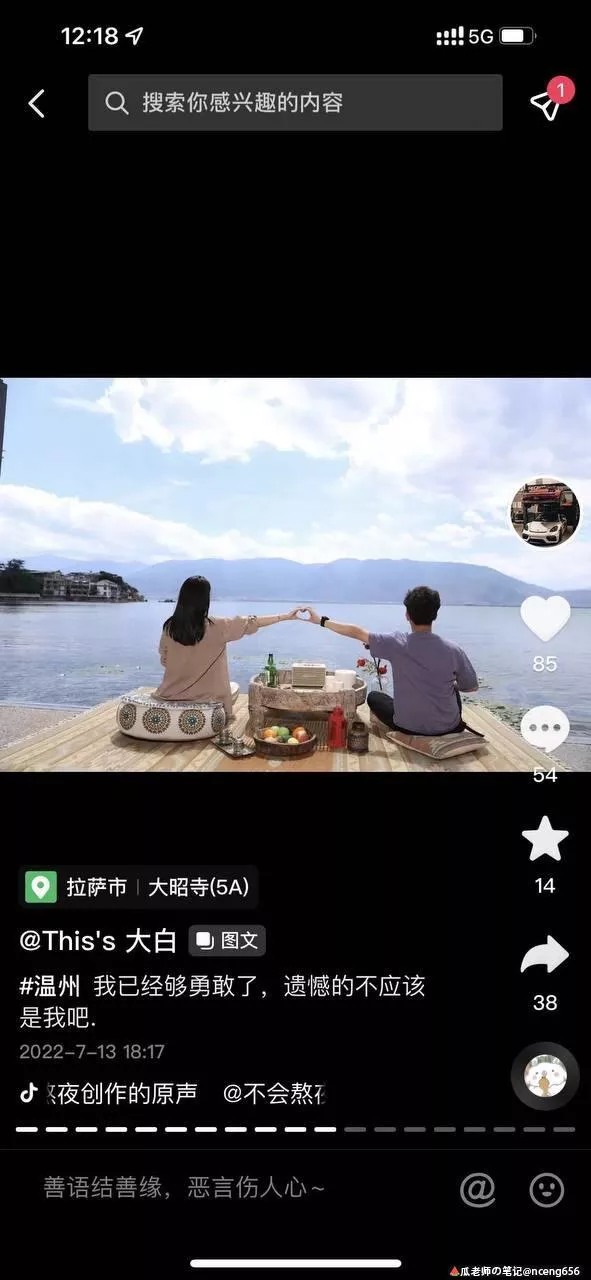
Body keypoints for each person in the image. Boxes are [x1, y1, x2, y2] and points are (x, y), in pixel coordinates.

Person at [295, 585, 479, 737]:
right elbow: (471, 687)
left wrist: (321, 621)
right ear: (435, 614)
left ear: (407, 615)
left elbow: (356, 632)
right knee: (453, 688)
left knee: (374, 697)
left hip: (407, 727)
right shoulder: (454, 650)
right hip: (448, 728)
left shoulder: (396, 643)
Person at [155, 575, 300, 721]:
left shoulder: (169, 627)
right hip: (208, 701)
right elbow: (252, 622)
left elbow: (164, 661)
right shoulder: (217, 626)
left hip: (170, 696)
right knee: (234, 687)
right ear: (205, 600)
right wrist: (285, 616)